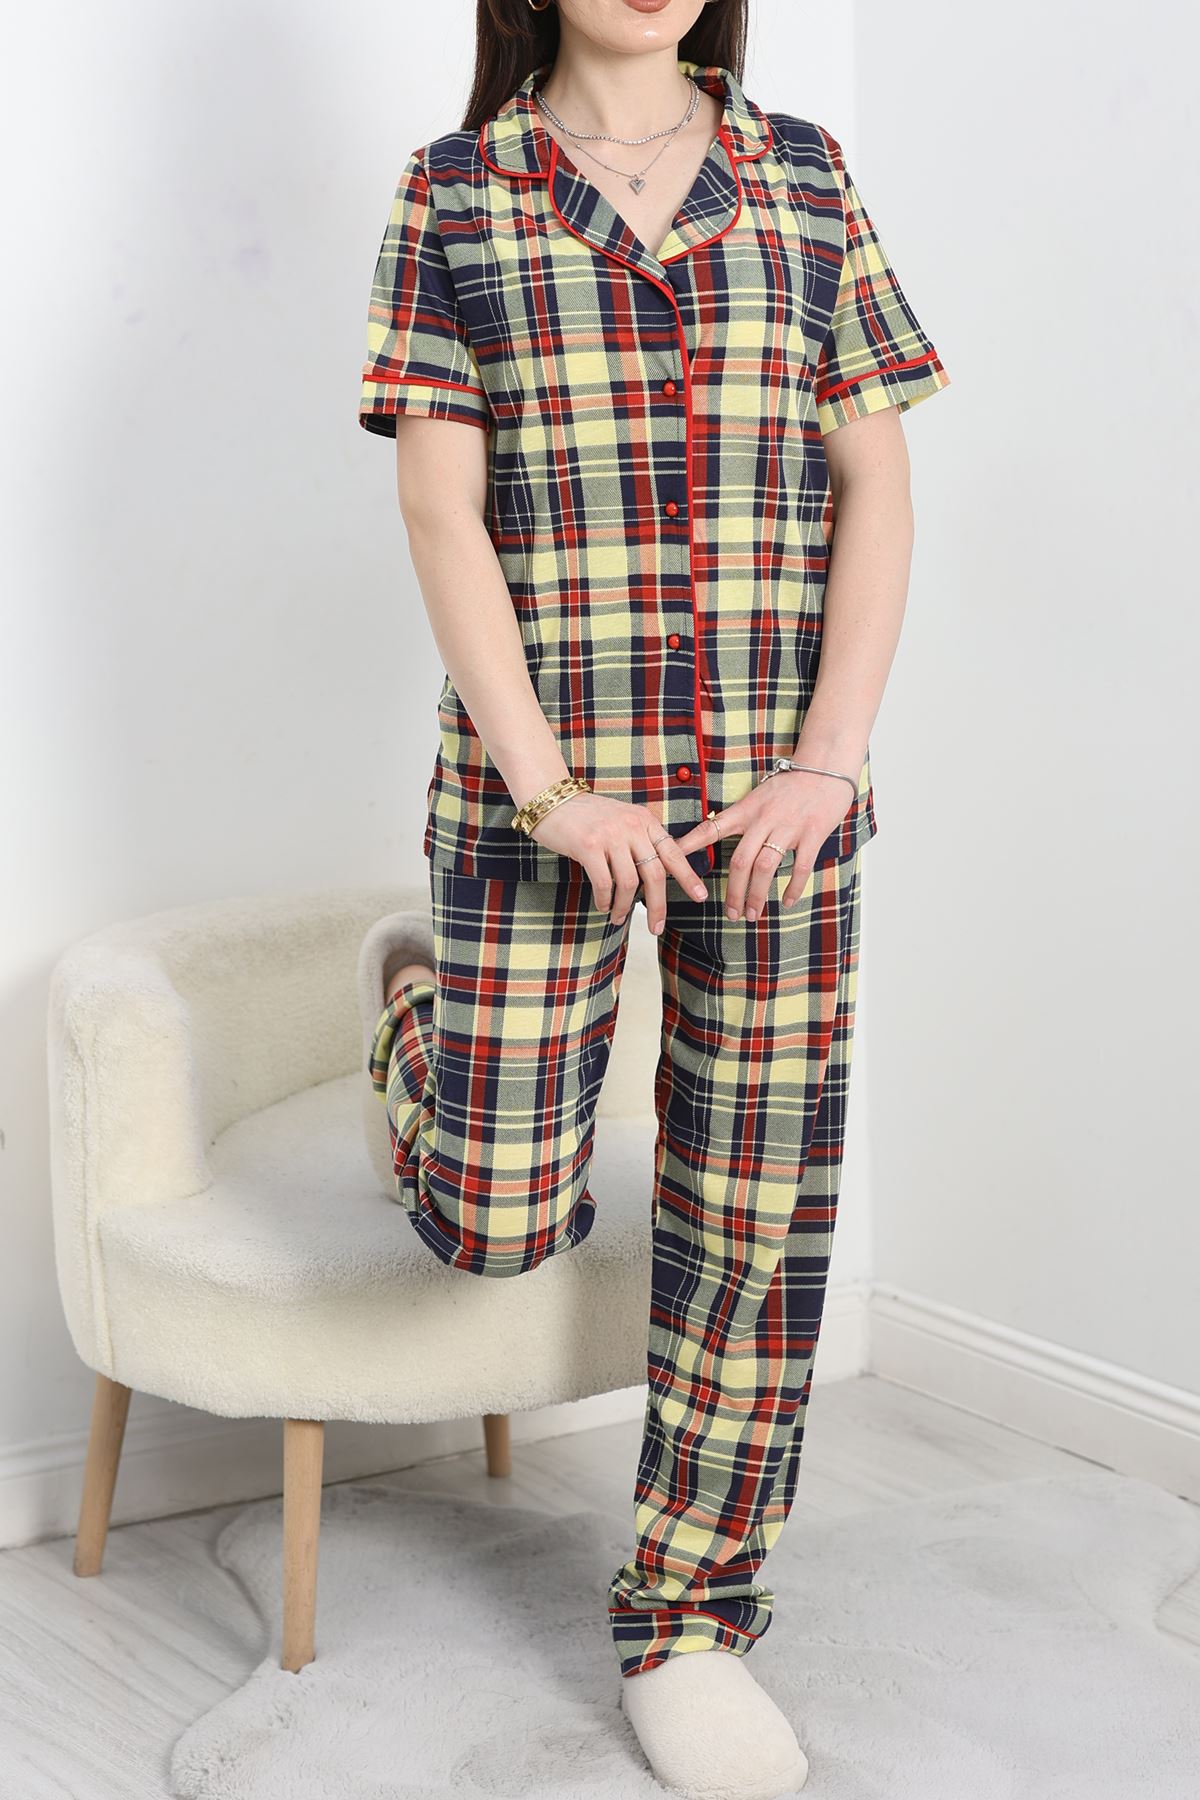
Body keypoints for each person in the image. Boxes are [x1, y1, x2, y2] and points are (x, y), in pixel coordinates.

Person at [357, 2, 949, 1794]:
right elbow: (442, 516)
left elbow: (875, 482)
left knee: (750, 1215)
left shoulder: (806, 179)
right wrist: (551, 789)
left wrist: (829, 760)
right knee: (495, 1221)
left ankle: (688, 1617)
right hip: (540, 794)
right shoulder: (456, 192)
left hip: (779, 803)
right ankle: (413, 1019)